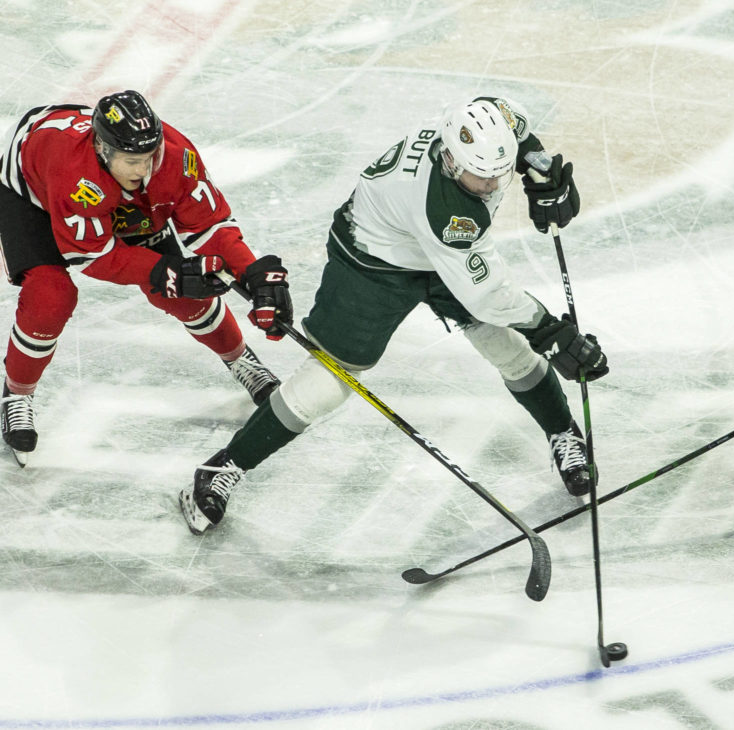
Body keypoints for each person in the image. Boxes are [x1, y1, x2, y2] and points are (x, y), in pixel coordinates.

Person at [179, 95, 609, 534]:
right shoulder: (447, 209)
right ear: (450, 160)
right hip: (373, 261)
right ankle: (221, 469)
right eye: (481, 178)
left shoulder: (489, 122)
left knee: (503, 342)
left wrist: (535, 164)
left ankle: (563, 433)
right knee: (330, 381)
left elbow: (520, 137)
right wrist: (552, 333)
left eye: (499, 174)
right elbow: (488, 296)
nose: (493, 187)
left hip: (433, 249)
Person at [0, 90, 293, 466]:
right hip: (31, 197)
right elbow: (92, 255)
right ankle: (17, 392)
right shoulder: (71, 168)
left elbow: (209, 224)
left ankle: (240, 358)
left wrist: (253, 272)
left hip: (107, 200)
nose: (143, 170)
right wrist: (162, 271)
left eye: (149, 157)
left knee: (183, 292)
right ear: (101, 148)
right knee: (50, 297)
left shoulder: (176, 157)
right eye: (132, 160)